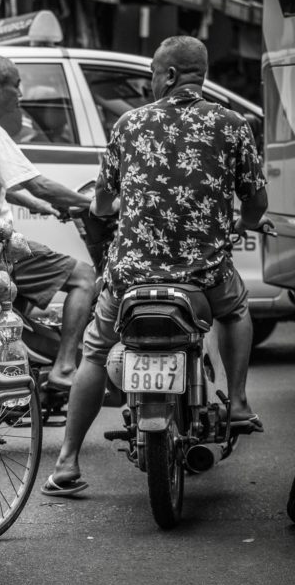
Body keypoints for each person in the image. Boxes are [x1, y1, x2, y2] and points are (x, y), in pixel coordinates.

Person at [43, 36, 269, 497]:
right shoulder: (233, 124)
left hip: (130, 277)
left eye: (151, 76)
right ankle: (240, 402)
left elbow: (102, 204)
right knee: (236, 310)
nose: (150, 83)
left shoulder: (129, 124)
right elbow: (255, 205)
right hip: (203, 276)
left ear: (167, 76)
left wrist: (113, 206)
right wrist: (238, 220)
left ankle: (66, 462)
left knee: (92, 353)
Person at [0, 54, 95, 391]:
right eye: (16, 87)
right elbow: (37, 182)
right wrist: (90, 204)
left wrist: (43, 207)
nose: (20, 95)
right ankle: (65, 367)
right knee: (85, 277)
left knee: (23, 314)